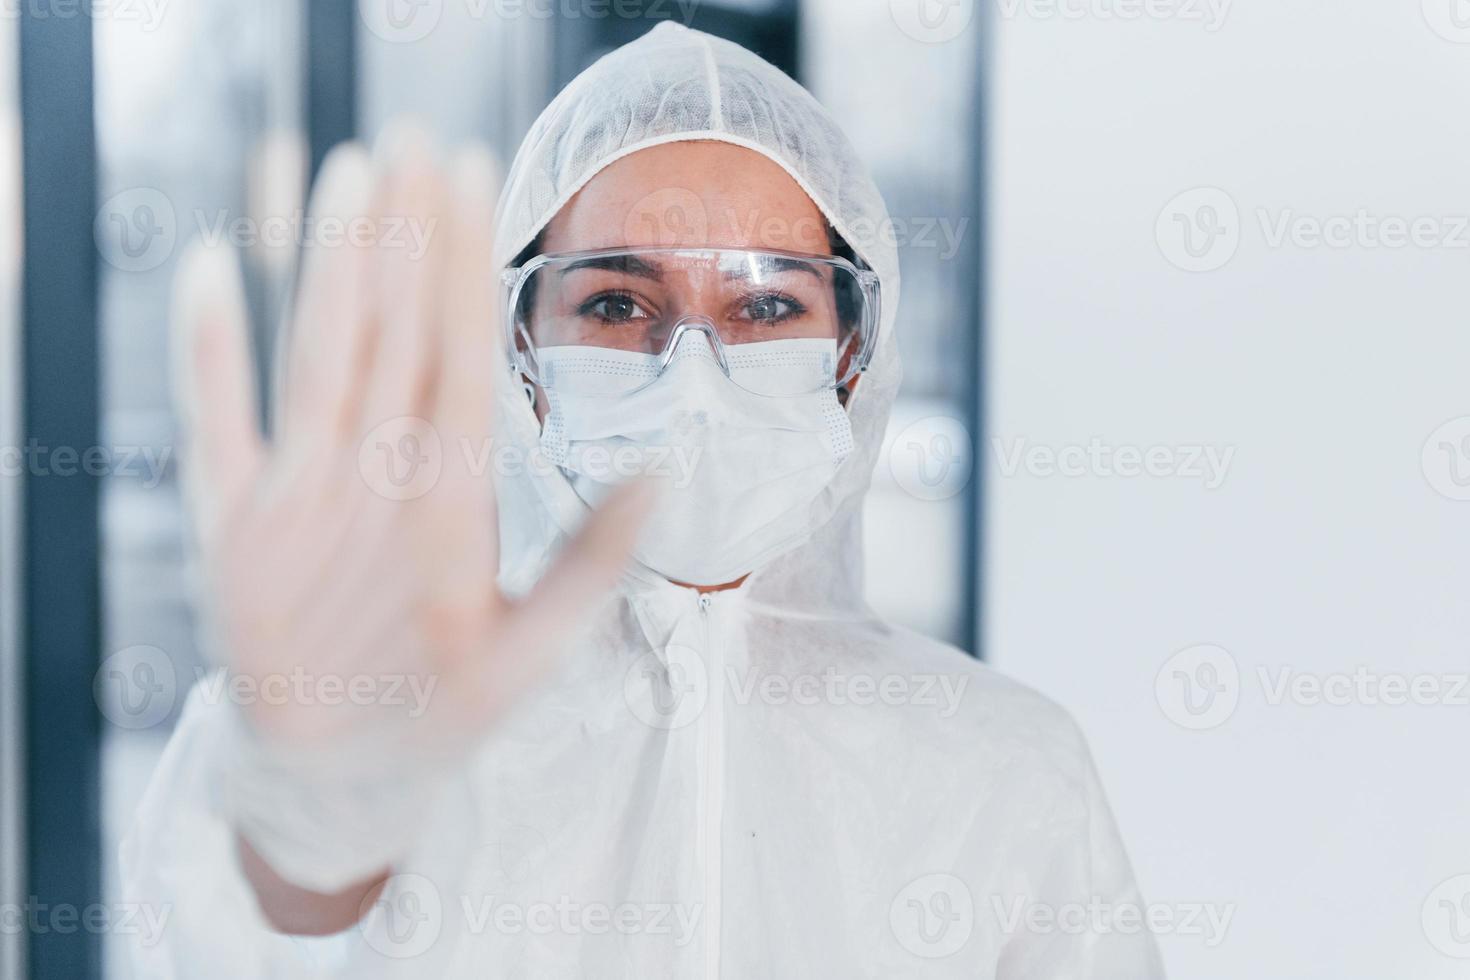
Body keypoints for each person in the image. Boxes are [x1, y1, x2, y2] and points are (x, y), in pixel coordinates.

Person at [123, 22, 1164, 979]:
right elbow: (220, 930)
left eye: (766, 305)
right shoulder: (369, 713)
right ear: (520, 351)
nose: (694, 375)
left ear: (856, 349)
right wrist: (310, 834)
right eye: (618, 303)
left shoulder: (1005, 766)